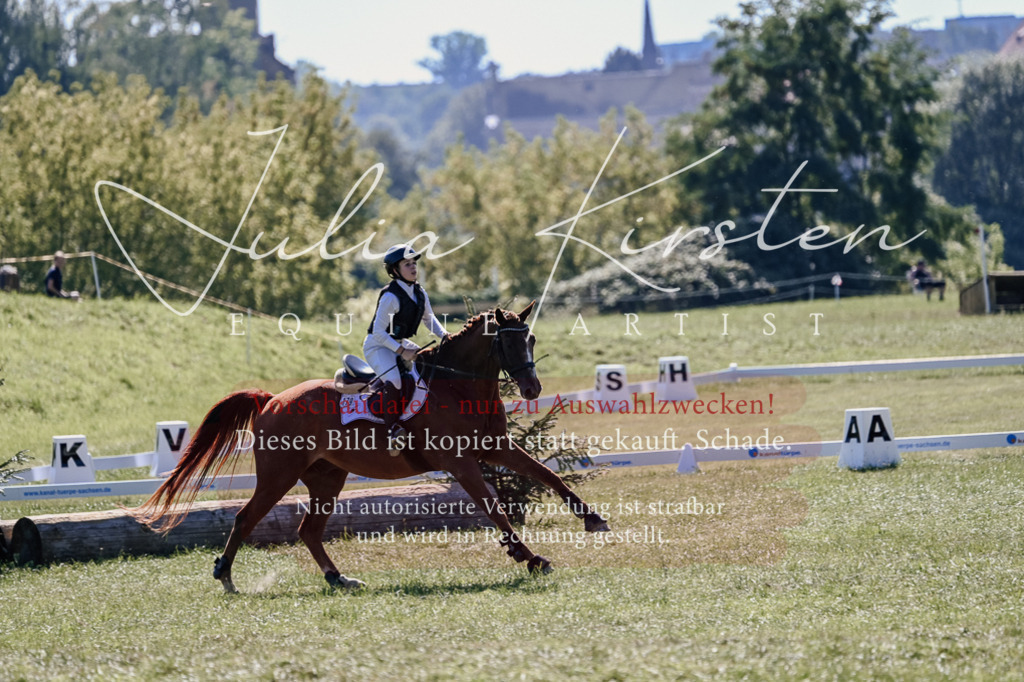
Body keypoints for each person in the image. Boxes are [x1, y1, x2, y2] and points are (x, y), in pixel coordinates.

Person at [363, 244, 449, 452]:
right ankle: (392, 429)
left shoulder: (420, 293)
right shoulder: (390, 297)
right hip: (378, 346)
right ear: (394, 270)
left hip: (399, 343)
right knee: (394, 380)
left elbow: (430, 320)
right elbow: (378, 333)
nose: (413, 268)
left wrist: (445, 335)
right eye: (406, 264)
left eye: (414, 263)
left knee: (427, 367)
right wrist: (402, 352)